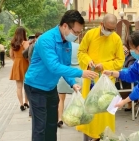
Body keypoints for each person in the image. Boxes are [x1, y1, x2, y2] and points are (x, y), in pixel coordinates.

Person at [24, 10, 98, 141]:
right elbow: (54, 66)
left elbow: (65, 66)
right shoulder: (46, 40)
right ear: (65, 26)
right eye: (75, 32)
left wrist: (72, 83)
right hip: (36, 87)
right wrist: (81, 73)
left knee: (52, 124)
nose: (76, 35)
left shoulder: (67, 43)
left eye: (79, 33)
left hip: (51, 88)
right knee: (40, 127)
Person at [77, 13, 125, 141]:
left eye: (112, 29)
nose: (110, 32)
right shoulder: (90, 34)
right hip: (91, 78)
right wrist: (88, 61)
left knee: (106, 113)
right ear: (101, 24)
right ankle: (88, 137)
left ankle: (106, 137)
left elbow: (120, 61)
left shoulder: (116, 39)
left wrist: (104, 65)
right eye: (108, 29)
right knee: (90, 110)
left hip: (107, 81)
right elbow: (81, 51)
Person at [57, 41, 82, 127]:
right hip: (77, 73)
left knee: (61, 99)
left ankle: (60, 119)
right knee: (78, 98)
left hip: (64, 72)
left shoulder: (62, 47)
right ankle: (77, 118)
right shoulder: (79, 46)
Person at [9, 26, 30, 111]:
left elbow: (11, 55)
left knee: (18, 87)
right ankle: (26, 102)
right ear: (24, 33)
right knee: (27, 85)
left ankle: (21, 104)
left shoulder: (13, 43)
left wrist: (16, 61)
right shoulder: (25, 42)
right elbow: (28, 53)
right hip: (25, 64)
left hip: (16, 64)